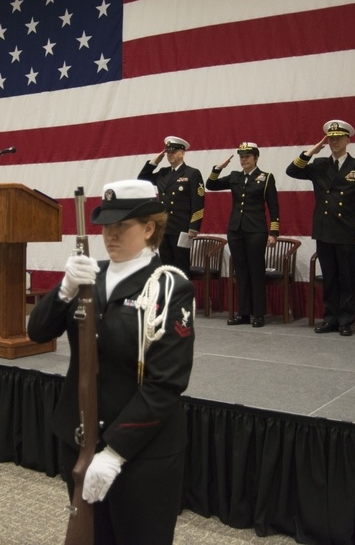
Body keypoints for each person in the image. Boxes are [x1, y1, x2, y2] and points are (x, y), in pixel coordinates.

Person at [28, 179, 195, 544]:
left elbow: (165, 382)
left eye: (122, 226)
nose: (110, 235)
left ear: (149, 228)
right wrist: (64, 290)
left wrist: (116, 451)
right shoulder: (89, 275)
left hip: (140, 454)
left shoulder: (170, 288)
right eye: (106, 226)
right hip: (79, 439)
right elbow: (37, 332)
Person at [286, 120, 355, 337]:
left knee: (347, 277)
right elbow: (292, 170)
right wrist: (310, 152)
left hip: (347, 230)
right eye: (331, 138)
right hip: (324, 228)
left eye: (339, 138)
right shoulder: (319, 165)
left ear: (348, 140)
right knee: (330, 277)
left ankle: (346, 320)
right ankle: (330, 318)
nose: (334, 141)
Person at [206, 142, 280, 328]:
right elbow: (211, 184)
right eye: (241, 156)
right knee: (241, 272)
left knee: (256, 271)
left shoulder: (265, 178)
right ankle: (244, 312)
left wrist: (274, 232)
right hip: (236, 229)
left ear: (256, 158)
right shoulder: (234, 177)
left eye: (247, 156)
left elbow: (273, 207)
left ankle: (259, 313)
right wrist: (218, 168)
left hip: (256, 230)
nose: (244, 159)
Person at [137, 136, 205, 277]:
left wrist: (194, 227)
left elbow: (198, 202)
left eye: (173, 152)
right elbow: (142, 179)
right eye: (168, 152)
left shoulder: (192, 173)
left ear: (182, 153)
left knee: (181, 267)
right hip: (164, 226)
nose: (170, 155)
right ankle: (170, 298)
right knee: (166, 267)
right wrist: (154, 162)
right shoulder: (163, 173)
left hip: (182, 227)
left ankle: (183, 298)